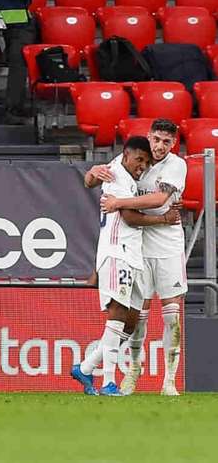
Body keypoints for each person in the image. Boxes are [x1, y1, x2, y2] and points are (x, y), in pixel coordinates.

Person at [71, 137, 181, 397]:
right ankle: (109, 381)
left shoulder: (127, 176)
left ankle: (85, 368)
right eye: (139, 159)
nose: (142, 165)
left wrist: (91, 176)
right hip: (117, 251)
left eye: (146, 162)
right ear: (125, 154)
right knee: (118, 313)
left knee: (130, 322)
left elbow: (92, 182)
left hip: (132, 254)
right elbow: (129, 217)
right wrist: (164, 219)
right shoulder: (118, 174)